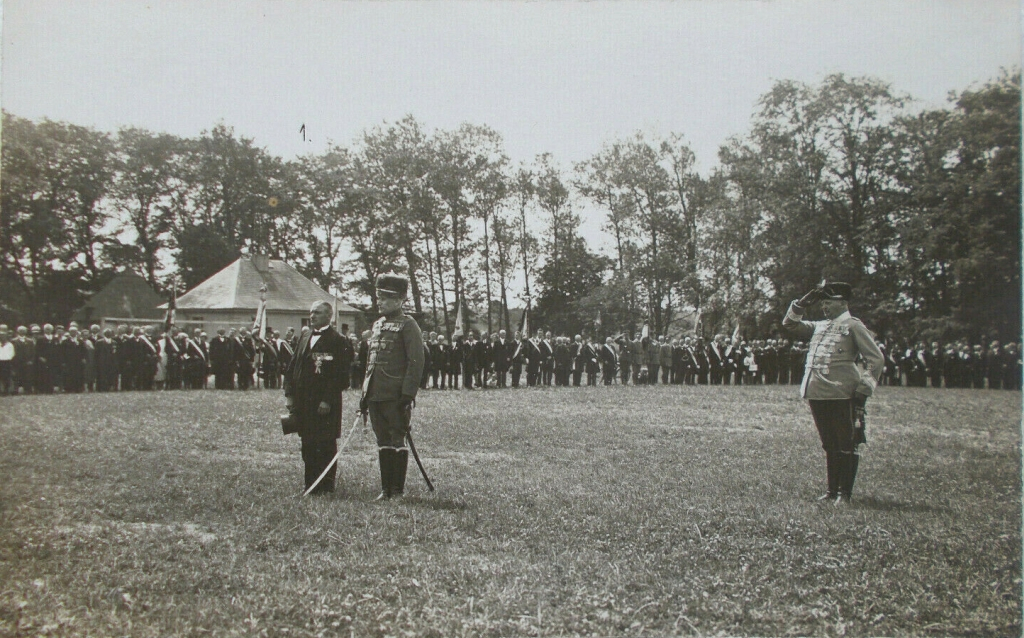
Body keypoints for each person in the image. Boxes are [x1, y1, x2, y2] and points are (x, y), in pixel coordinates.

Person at [783, 282, 884, 505]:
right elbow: (790, 324)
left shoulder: (853, 326)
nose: (825, 307)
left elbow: (876, 359)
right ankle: (831, 491)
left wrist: (864, 389)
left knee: (847, 443)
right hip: (817, 392)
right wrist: (801, 303)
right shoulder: (820, 326)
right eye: (823, 303)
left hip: (842, 392)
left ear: (842, 302)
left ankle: (844, 494)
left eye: (829, 302)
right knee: (829, 443)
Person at [360, 274, 424, 500]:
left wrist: (407, 394)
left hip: (396, 395)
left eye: (386, 299)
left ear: (399, 300)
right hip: (376, 393)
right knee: (382, 441)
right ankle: (385, 489)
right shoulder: (377, 325)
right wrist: (365, 392)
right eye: (380, 298)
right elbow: (371, 363)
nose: (381, 303)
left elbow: (416, 362)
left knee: (397, 439)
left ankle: (396, 490)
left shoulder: (409, 325)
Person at [283, 301, 352, 495]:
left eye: (318, 313)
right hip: (303, 400)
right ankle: (310, 485)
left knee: (325, 443)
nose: (312, 316)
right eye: (311, 312)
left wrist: (327, 400)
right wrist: (289, 394)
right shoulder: (304, 336)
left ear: (328, 316)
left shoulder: (337, 340)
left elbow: (341, 375)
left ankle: (326, 486)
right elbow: (292, 367)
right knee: (308, 444)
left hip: (324, 403)